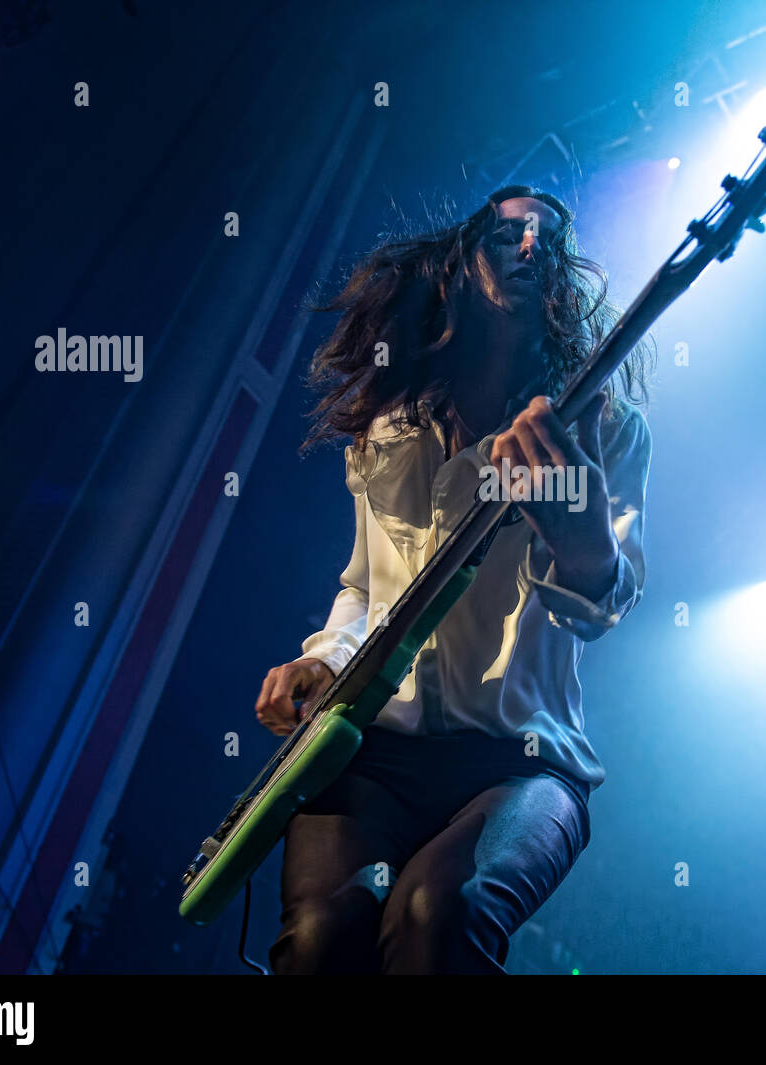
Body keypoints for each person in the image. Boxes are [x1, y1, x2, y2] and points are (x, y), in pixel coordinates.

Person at [255, 185, 652, 973]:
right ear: (460, 263)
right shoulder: (387, 424)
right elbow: (368, 589)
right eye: (507, 231)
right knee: (320, 940)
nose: (530, 244)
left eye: (548, 235)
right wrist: (324, 658)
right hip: (375, 748)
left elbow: (604, 599)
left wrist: (579, 542)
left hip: (520, 761)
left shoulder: (602, 428)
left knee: (441, 915)